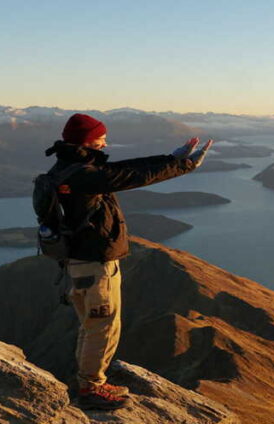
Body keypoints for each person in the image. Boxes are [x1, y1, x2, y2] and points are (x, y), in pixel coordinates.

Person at [43, 113, 212, 411]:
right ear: (88, 140)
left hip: (80, 264)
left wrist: (170, 158)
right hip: (95, 266)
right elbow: (131, 176)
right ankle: (92, 388)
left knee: (92, 326)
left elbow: (122, 169)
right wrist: (182, 165)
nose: (106, 141)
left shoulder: (69, 168)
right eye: (101, 137)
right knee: (103, 327)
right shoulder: (82, 175)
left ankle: (89, 382)